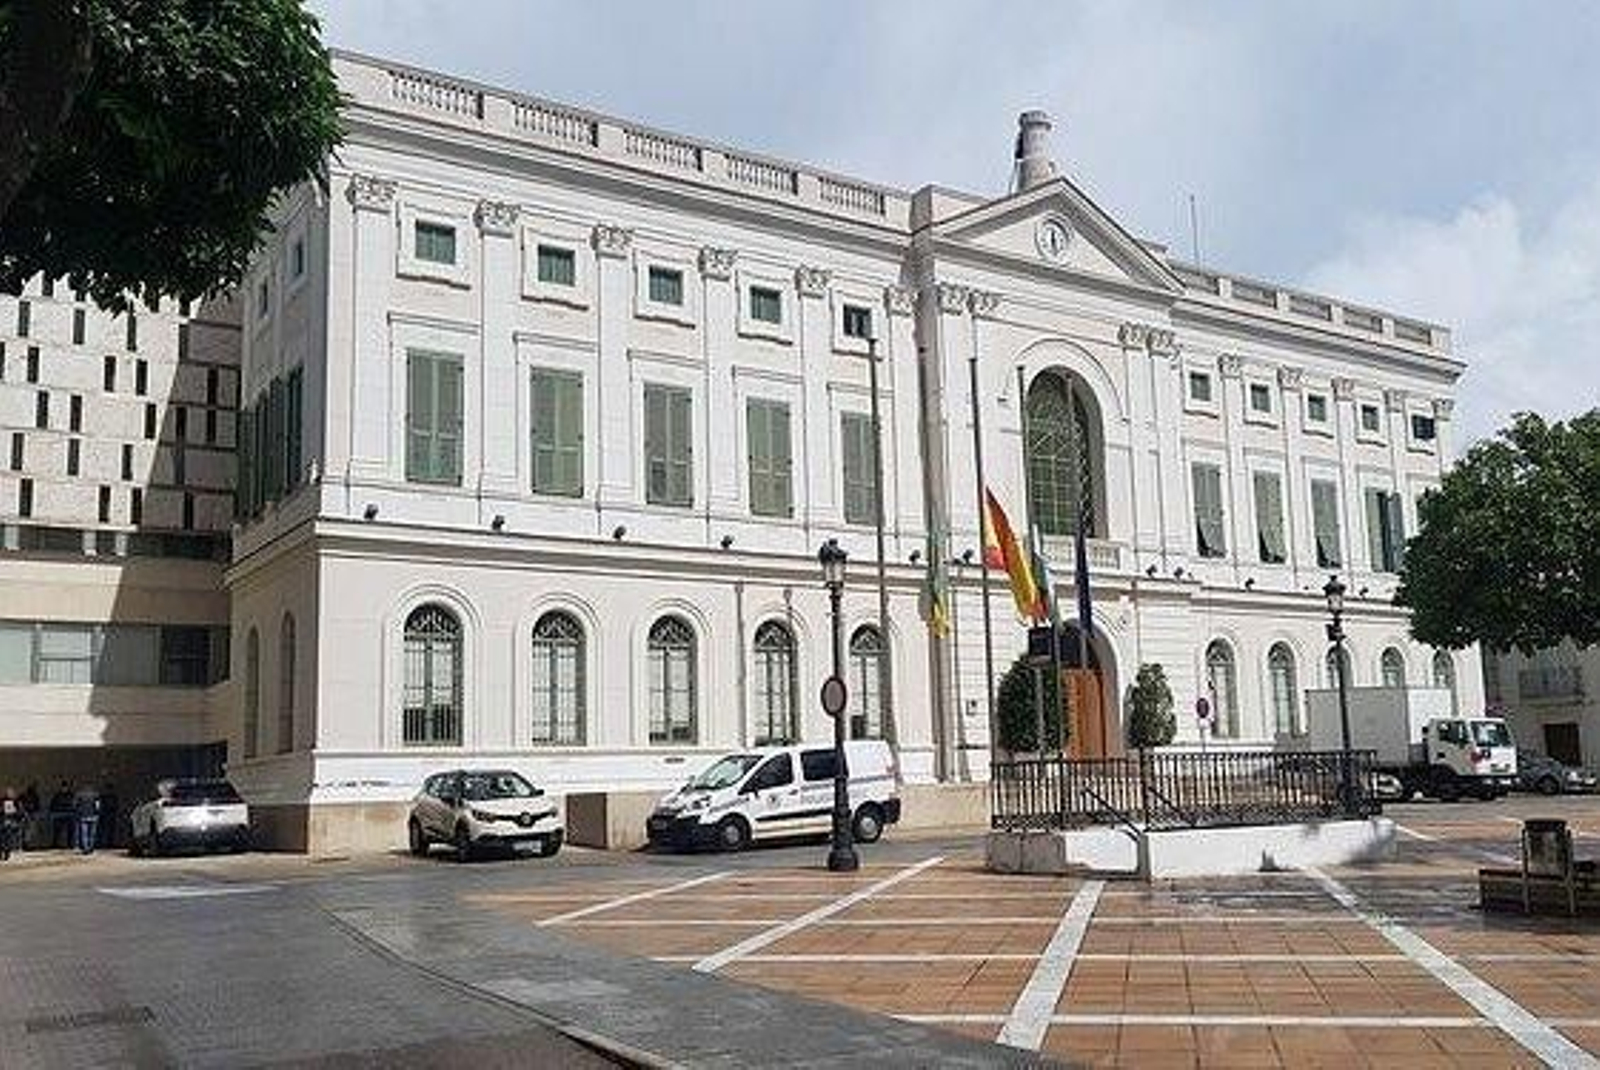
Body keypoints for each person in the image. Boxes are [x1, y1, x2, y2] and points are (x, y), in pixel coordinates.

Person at [72, 783, 100, 855]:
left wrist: (78, 811)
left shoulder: (79, 794)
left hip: (83, 815)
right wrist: (97, 813)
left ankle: (85, 848)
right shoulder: (95, 795)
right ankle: (90, 848)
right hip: (93, 816)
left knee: (84, 833)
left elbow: (74, 805)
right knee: (92, 834)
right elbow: (97, 806)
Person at [48, 781, 73, 849]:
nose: (64, 789)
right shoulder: (58, 795)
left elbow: (73, 803)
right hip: (59, 815)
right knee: (57, 830)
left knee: (70, 830)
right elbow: (53, 804)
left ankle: (69, 844)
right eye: (64, 787)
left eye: (65, 787)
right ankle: (55, 843)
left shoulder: (69, 795)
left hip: (68, 814)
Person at [0, 788, 21, 861]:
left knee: (8, 839)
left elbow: (19, 812)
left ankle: (7, 853)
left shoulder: (15, 802)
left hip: (10, 822)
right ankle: (4, 851)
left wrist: (15, 812)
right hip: (3, 822)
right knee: (3, 838)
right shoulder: (2, 801)